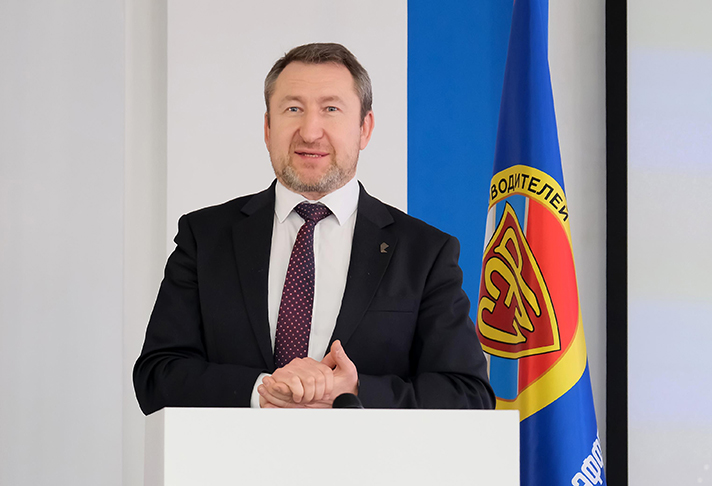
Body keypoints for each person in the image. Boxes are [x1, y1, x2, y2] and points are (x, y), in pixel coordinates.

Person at [133, 43, 494, 413]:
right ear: (268, 127)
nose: (309, 132)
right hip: (232, 452)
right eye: (293, 109)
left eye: (331, 109)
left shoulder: (424, 252)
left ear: (365, 128)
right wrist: (264, 390)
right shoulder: (204, 237)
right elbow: (157, 376)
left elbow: (467, 394)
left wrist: (353, 391)